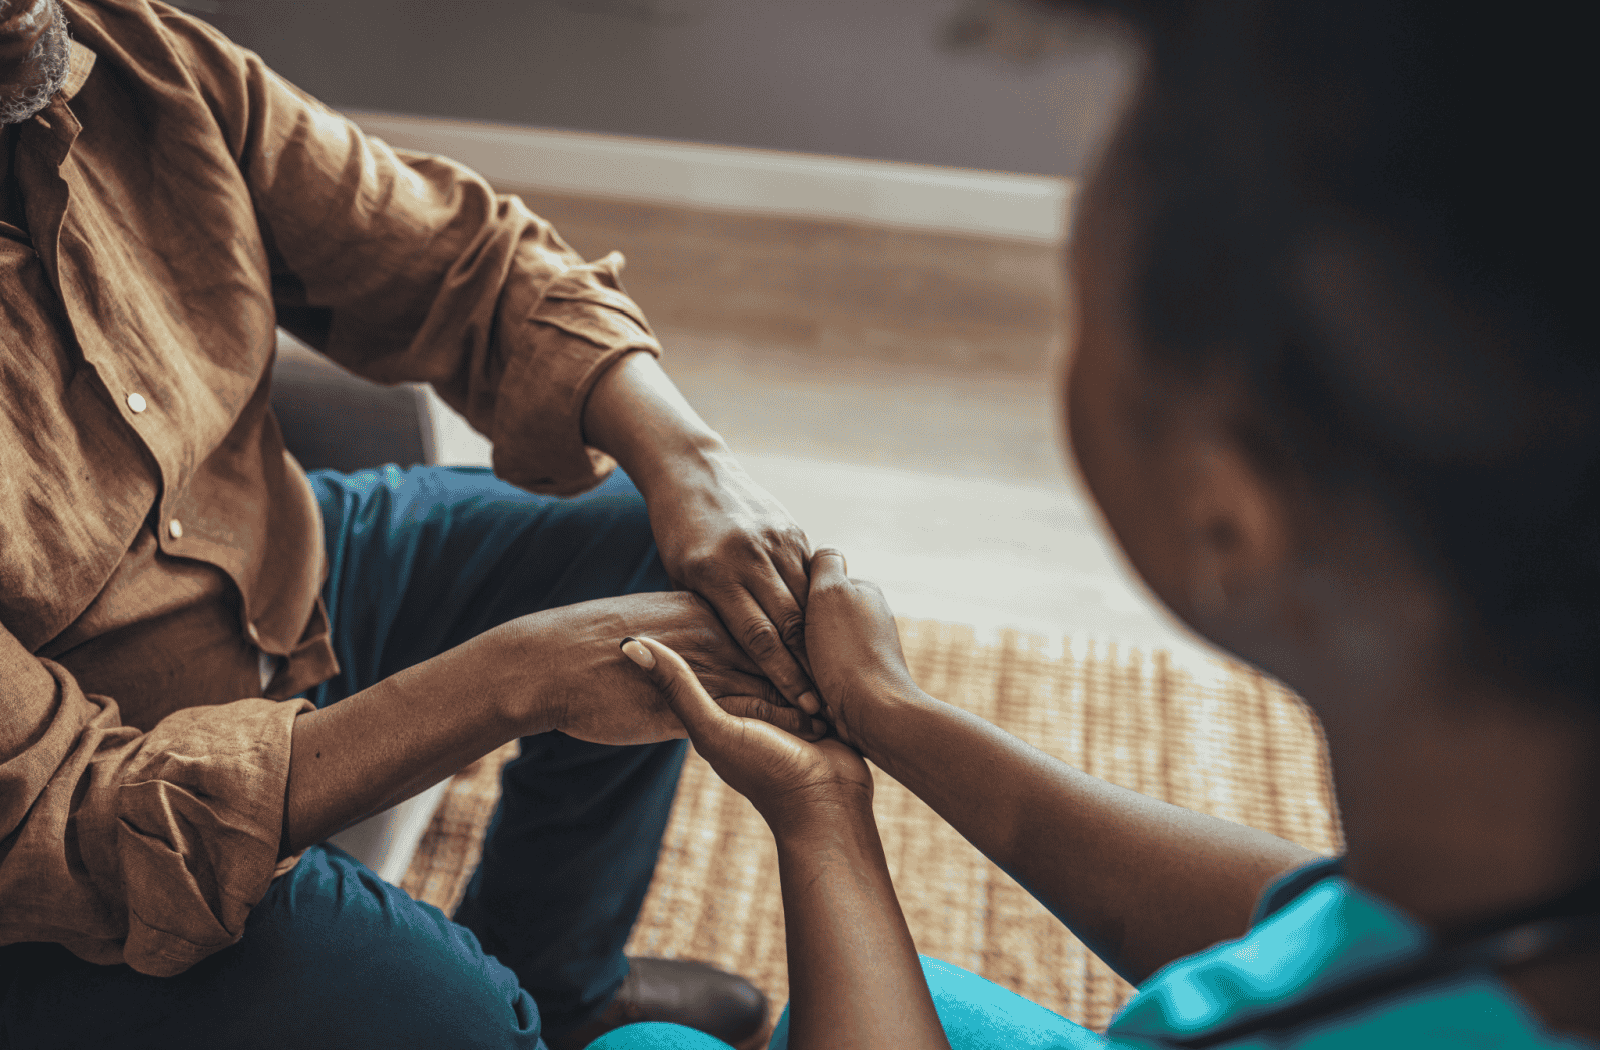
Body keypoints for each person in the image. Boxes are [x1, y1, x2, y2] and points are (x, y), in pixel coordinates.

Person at [585, 0, 1600, 1047]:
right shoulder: (1506, 870)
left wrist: (822, 824)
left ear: (1226, 518)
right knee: (916, 996)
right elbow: (1327, 927)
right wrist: (897, 716)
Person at [0, 1, 828, 1047]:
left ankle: (562, 982)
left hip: (279, 578)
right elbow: (67, 819)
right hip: (70, 846)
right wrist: (511, 679)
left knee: (635, 538)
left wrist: (690, 462)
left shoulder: (121, 49)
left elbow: (459, 259)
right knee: (455, 1014)